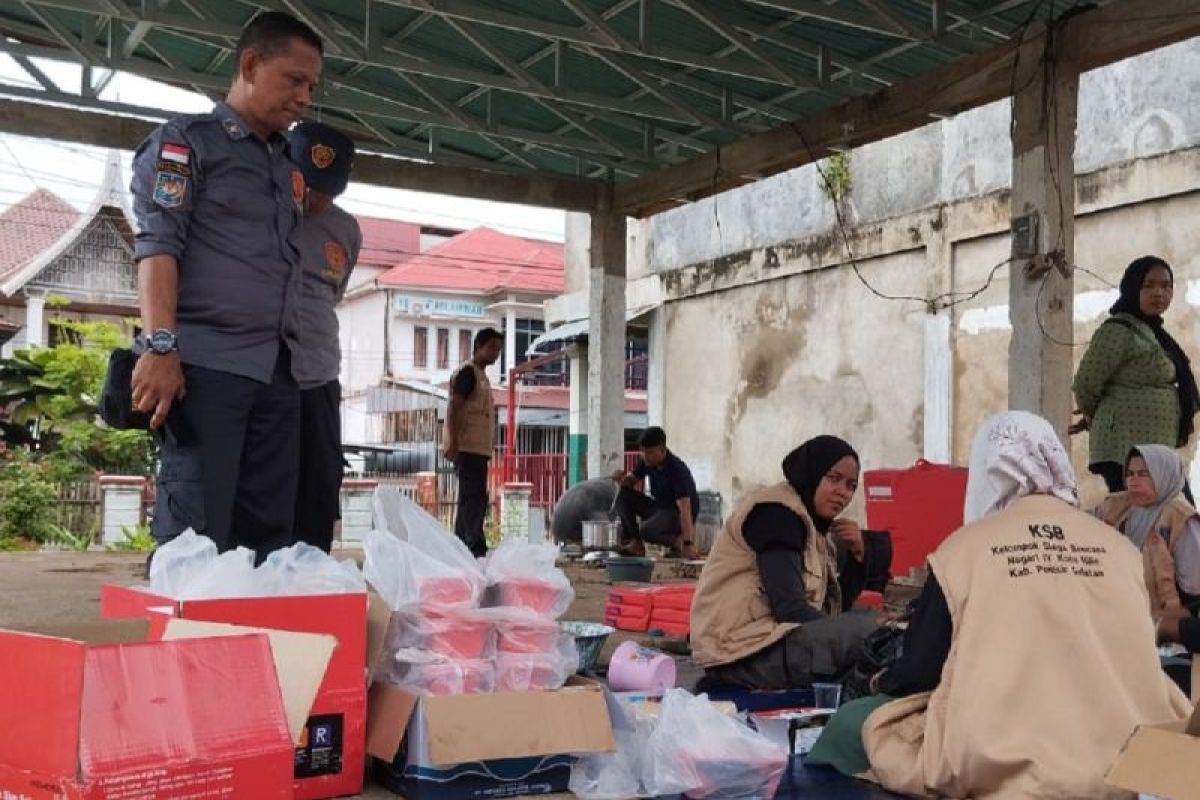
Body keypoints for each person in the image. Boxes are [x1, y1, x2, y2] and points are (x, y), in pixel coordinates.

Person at [809, 411, 1191, 798]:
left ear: (986, 472)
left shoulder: (963, 549)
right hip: (1131, 756)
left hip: (1009, 747)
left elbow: (922, 669)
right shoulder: (1117, 546)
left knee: (849, 726)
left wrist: (882, 681)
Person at [131, 11, 323, 563]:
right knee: (196, 542)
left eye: (312, 85)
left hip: (277, 376)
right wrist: (160, 345)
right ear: (249, 64)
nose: (305, 97)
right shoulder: (187, 145)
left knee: (269, 543)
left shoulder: (288, 168)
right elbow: (159, 246)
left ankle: (256, 649)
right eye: (294, 79)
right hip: (206, 373)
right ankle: (188, 650)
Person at [690, 436, 881, 691]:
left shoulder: (815, 530)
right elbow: (789, 607)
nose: (842, 492)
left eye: (850, 485)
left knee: (872, 629)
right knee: (868, 633)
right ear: (811, 474)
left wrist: (859, 557)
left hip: (772, 642)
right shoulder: (777, 515)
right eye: (833, 479)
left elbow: (834, 609)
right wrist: (849, 633)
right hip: (740, 652)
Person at [286, 121, 361, 552]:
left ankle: (310, 574)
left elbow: (333, 293)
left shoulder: (345, 231)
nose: (315, 198)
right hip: (269, 375)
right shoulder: (265, 214)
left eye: (326, 189)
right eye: (307, 185)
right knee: (271, 485)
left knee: (319, 484)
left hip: (320, 377)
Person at [1071, 255, 1199, 496]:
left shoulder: (1154, 332)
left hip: (1156, 449)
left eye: (1165, 285)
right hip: (1125, 450)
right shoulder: (1118, 330)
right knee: (1142, 519)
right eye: (1148, 285)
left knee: (1175, 519)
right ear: (1132, 288)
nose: (1159, 293)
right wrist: (1093, 416)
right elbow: (1086, 383)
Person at [1094, 444, 1200, 617]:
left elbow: (1194, 598)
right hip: (1118, 608)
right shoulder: (1121, 505)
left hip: (1163, 622)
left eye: (1143, 474)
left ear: (1163, 475)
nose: (1133, 481)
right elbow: (1080, 520)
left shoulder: (1181, 519)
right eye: (1129, 473)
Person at [443, 328, 503, 558]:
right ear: (478, 346)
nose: (495, 353)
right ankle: (474, 547)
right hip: (467, 448)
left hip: (477, 449)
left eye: (498, 349)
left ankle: (460, 546)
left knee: (471, 498)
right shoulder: (468, 373)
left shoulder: (481, 375)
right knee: (474, 498)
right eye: (491, 347)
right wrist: (454, 442)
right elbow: (454, 407)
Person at [612, 427, 701, 559]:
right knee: (623, 495)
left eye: (649, 452)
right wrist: (622, 479)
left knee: (646, 530)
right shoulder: (647, 462)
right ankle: (636, 543)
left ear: (662, 450)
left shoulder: (677, 470)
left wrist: (689, 543)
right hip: (660, 508)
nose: (644, 456)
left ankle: (679, 543)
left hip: (676, 513)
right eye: (642, 451)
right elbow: (631, 481)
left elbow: (685, 509)